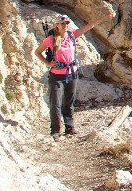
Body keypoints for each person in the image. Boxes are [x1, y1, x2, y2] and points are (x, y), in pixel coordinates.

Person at [35, 8, 115, 139]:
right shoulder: (51, 39)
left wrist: (105, 16)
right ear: (57, 25)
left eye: (66, 24)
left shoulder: (72, 35)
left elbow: (90, 26)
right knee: (55, 102)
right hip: (56, 75)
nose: (65, 26)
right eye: (62, 24)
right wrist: (48, 63)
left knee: (69, 101)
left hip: (72, 73)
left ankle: (70, 127)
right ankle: (55, 131)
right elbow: (37, 52)